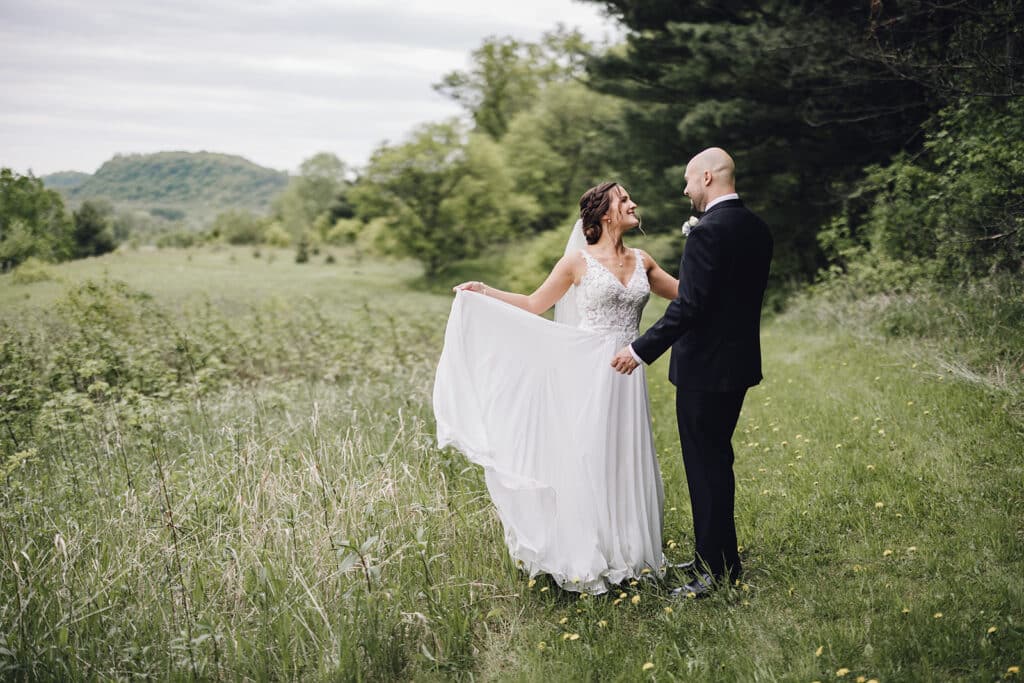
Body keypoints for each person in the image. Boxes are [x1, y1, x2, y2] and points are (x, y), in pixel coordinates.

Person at [433, 182, 679, 594]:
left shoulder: (643, 260)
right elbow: (535, 304)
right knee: (588, 455)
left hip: (629, 372)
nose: (633, 203)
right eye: (623, 199)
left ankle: (630, 553)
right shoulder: (576, 261)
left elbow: (688, 296)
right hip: (587, 371)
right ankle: (586, 552)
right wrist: (484, 292)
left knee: (624, 454)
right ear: (604, 213)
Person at [611, 148, 773, 598]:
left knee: (706, 468)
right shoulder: (756, 227)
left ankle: (716, 572)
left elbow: (691, 305)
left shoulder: (708, 232)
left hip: (705, 368)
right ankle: (713, 557)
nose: (685, 190)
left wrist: (640, 349)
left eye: (687, 180)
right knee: (715, 461)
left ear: (706, 177)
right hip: (738, 363)